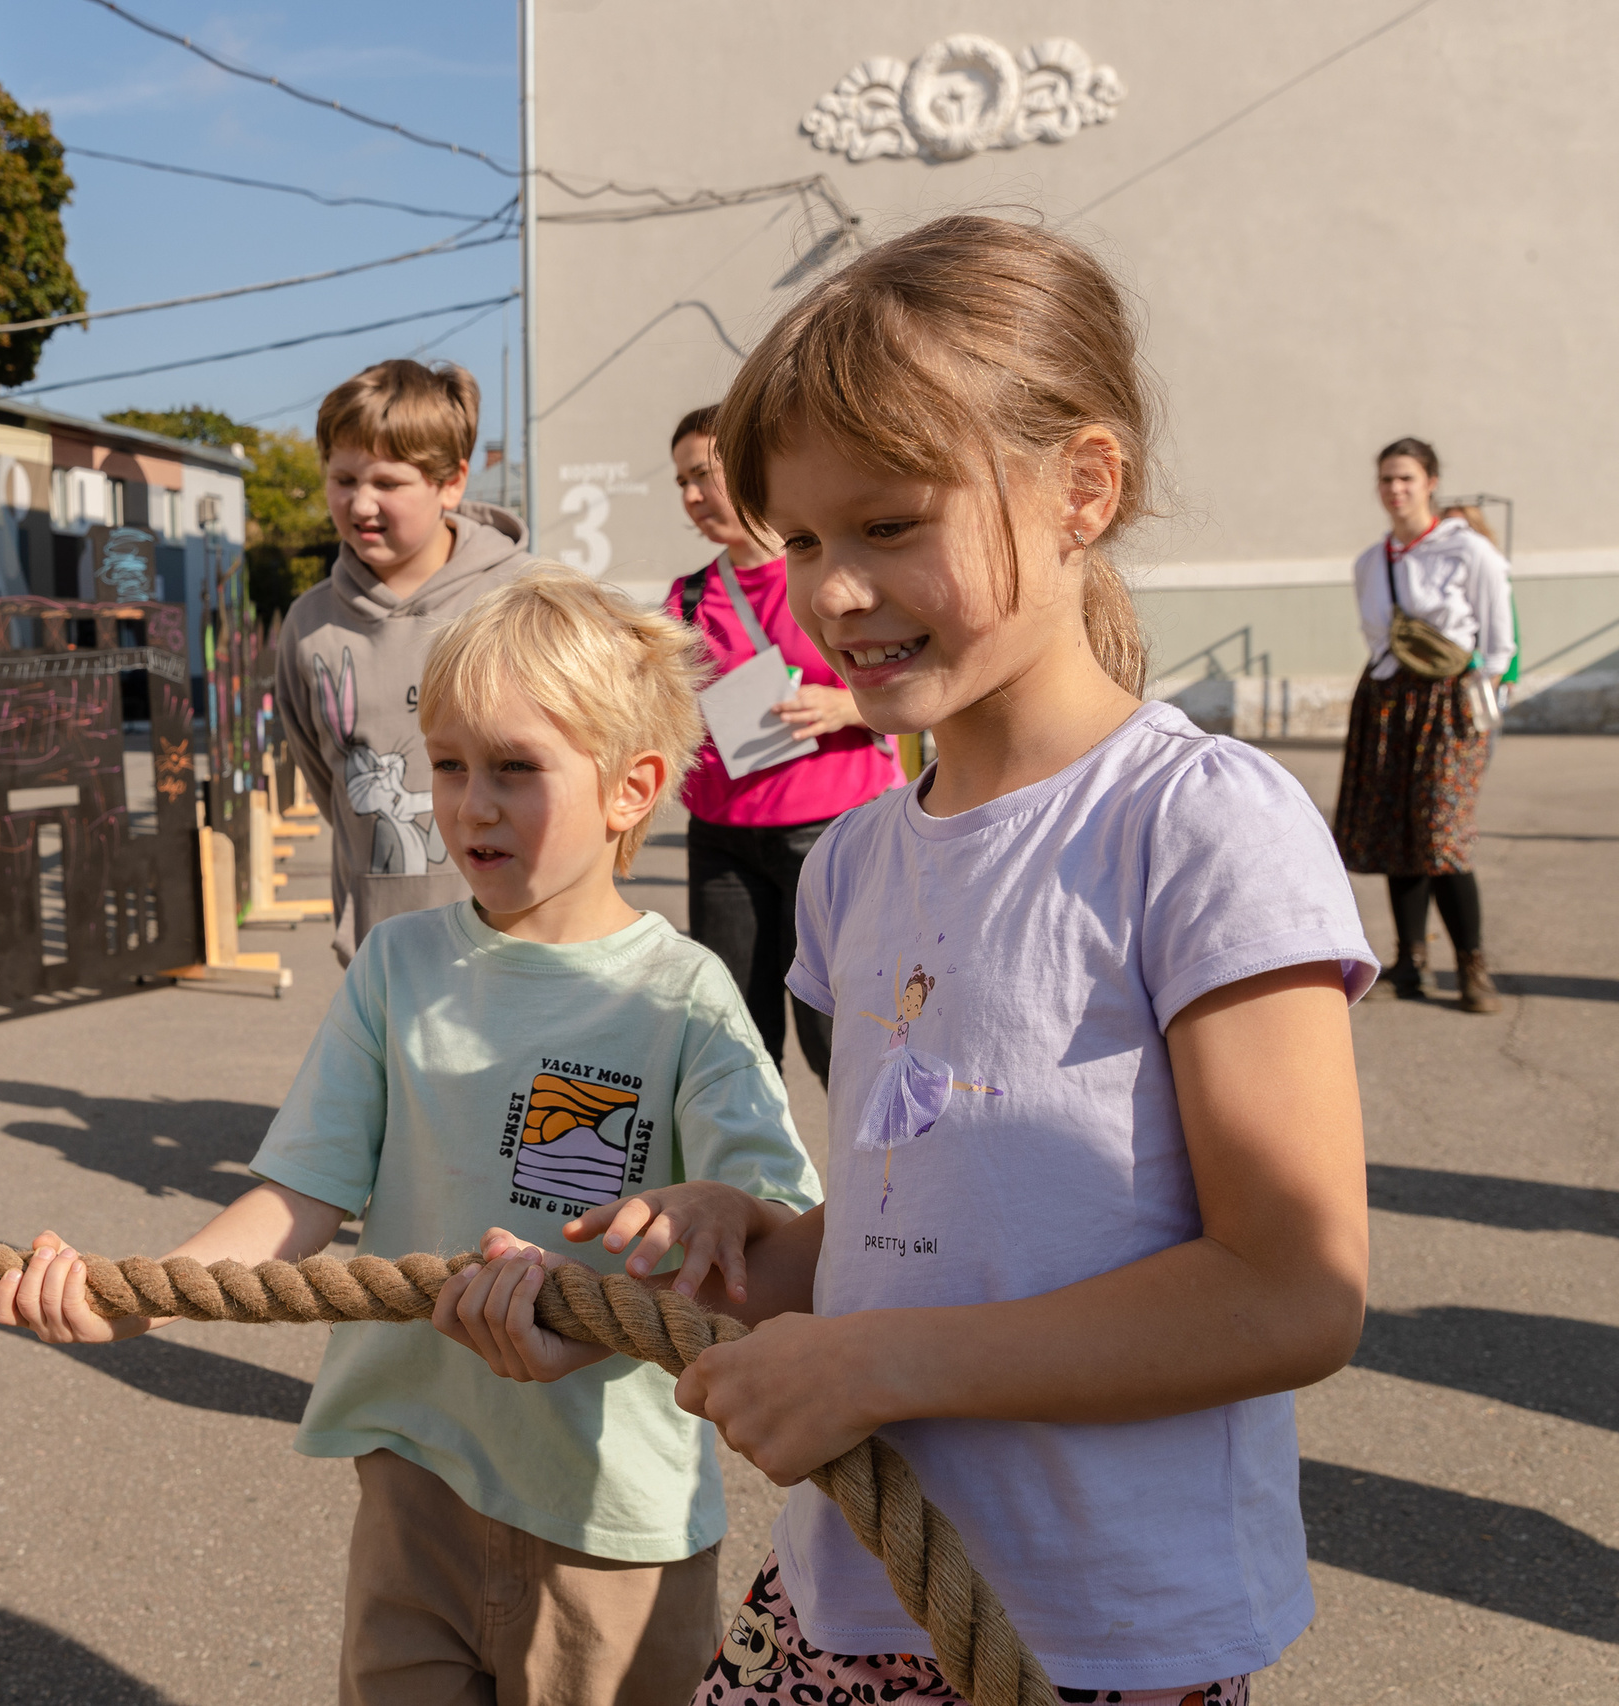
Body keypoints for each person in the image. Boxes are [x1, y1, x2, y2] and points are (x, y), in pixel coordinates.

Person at [458, 216, 1376, 1705]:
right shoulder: (866, 861)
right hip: (853, 1589)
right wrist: (733, 1261)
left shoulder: (1196, 827)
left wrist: (879, 1367)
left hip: (1091, 1643)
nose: (830, 593)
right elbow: (912, 1236)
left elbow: (1291, 1290)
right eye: (803, 539)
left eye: (888, 525)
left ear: (1084, 485)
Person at [0, 567, 822, 1705]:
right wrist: (149, 1290)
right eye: (448, 763)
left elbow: (766, 1243)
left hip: (607, 1524)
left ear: (631, 787)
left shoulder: (679, 998)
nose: (471, 803)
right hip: (412, 1475)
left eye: (515, 768)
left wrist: (706, 1212)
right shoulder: (401, 965)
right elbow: (299, 1193)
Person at [273, 359, 554, 963]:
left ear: (451, 481)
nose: (361, 503)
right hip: (381, 956)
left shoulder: (528, 599)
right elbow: (332, 786)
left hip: (525, 945)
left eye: (387, 483)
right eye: (343, 479)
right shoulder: (308, 626)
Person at [667, 405, 901, 1086]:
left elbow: (920, 681)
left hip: (828, 834)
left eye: (705, 475)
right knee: (735, 1040)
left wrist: (845, 705)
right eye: (681, 481)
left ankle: (875, 1187)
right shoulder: (685, 601)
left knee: (838, 1036)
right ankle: (752, 1190)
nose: (692, 496)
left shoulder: (831, 578)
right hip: (721, 839)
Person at [1333, 440, 1514, 1013]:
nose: (1395, 489)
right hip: (1386, 698)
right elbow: (1374, 636)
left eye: (1406, 478)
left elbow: (1498, 638)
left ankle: (1472, 966)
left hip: (1450, 701)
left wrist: (1480, 711)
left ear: (1430, 482)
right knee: (1395, 827)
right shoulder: (1370, 561)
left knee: (1441, 833)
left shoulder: (1468, 552)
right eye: (1387, 479)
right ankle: (1410, 959)